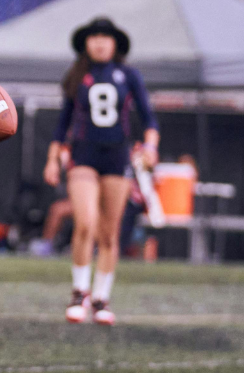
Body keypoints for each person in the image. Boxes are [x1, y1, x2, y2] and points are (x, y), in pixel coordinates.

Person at [42, 17, 158, 325]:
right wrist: (53, 159)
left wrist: (150, 147)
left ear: (116, 43)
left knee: (110, 232)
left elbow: (149, 119)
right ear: (86, 43)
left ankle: (101, 298)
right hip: (83, 155)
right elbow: (62, 124)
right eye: (94, 36)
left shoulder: (128, 75)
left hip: (117, 157)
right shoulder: (78, 76)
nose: (100, 42)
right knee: (86, 223)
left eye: (106, 36)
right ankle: (79, 292)